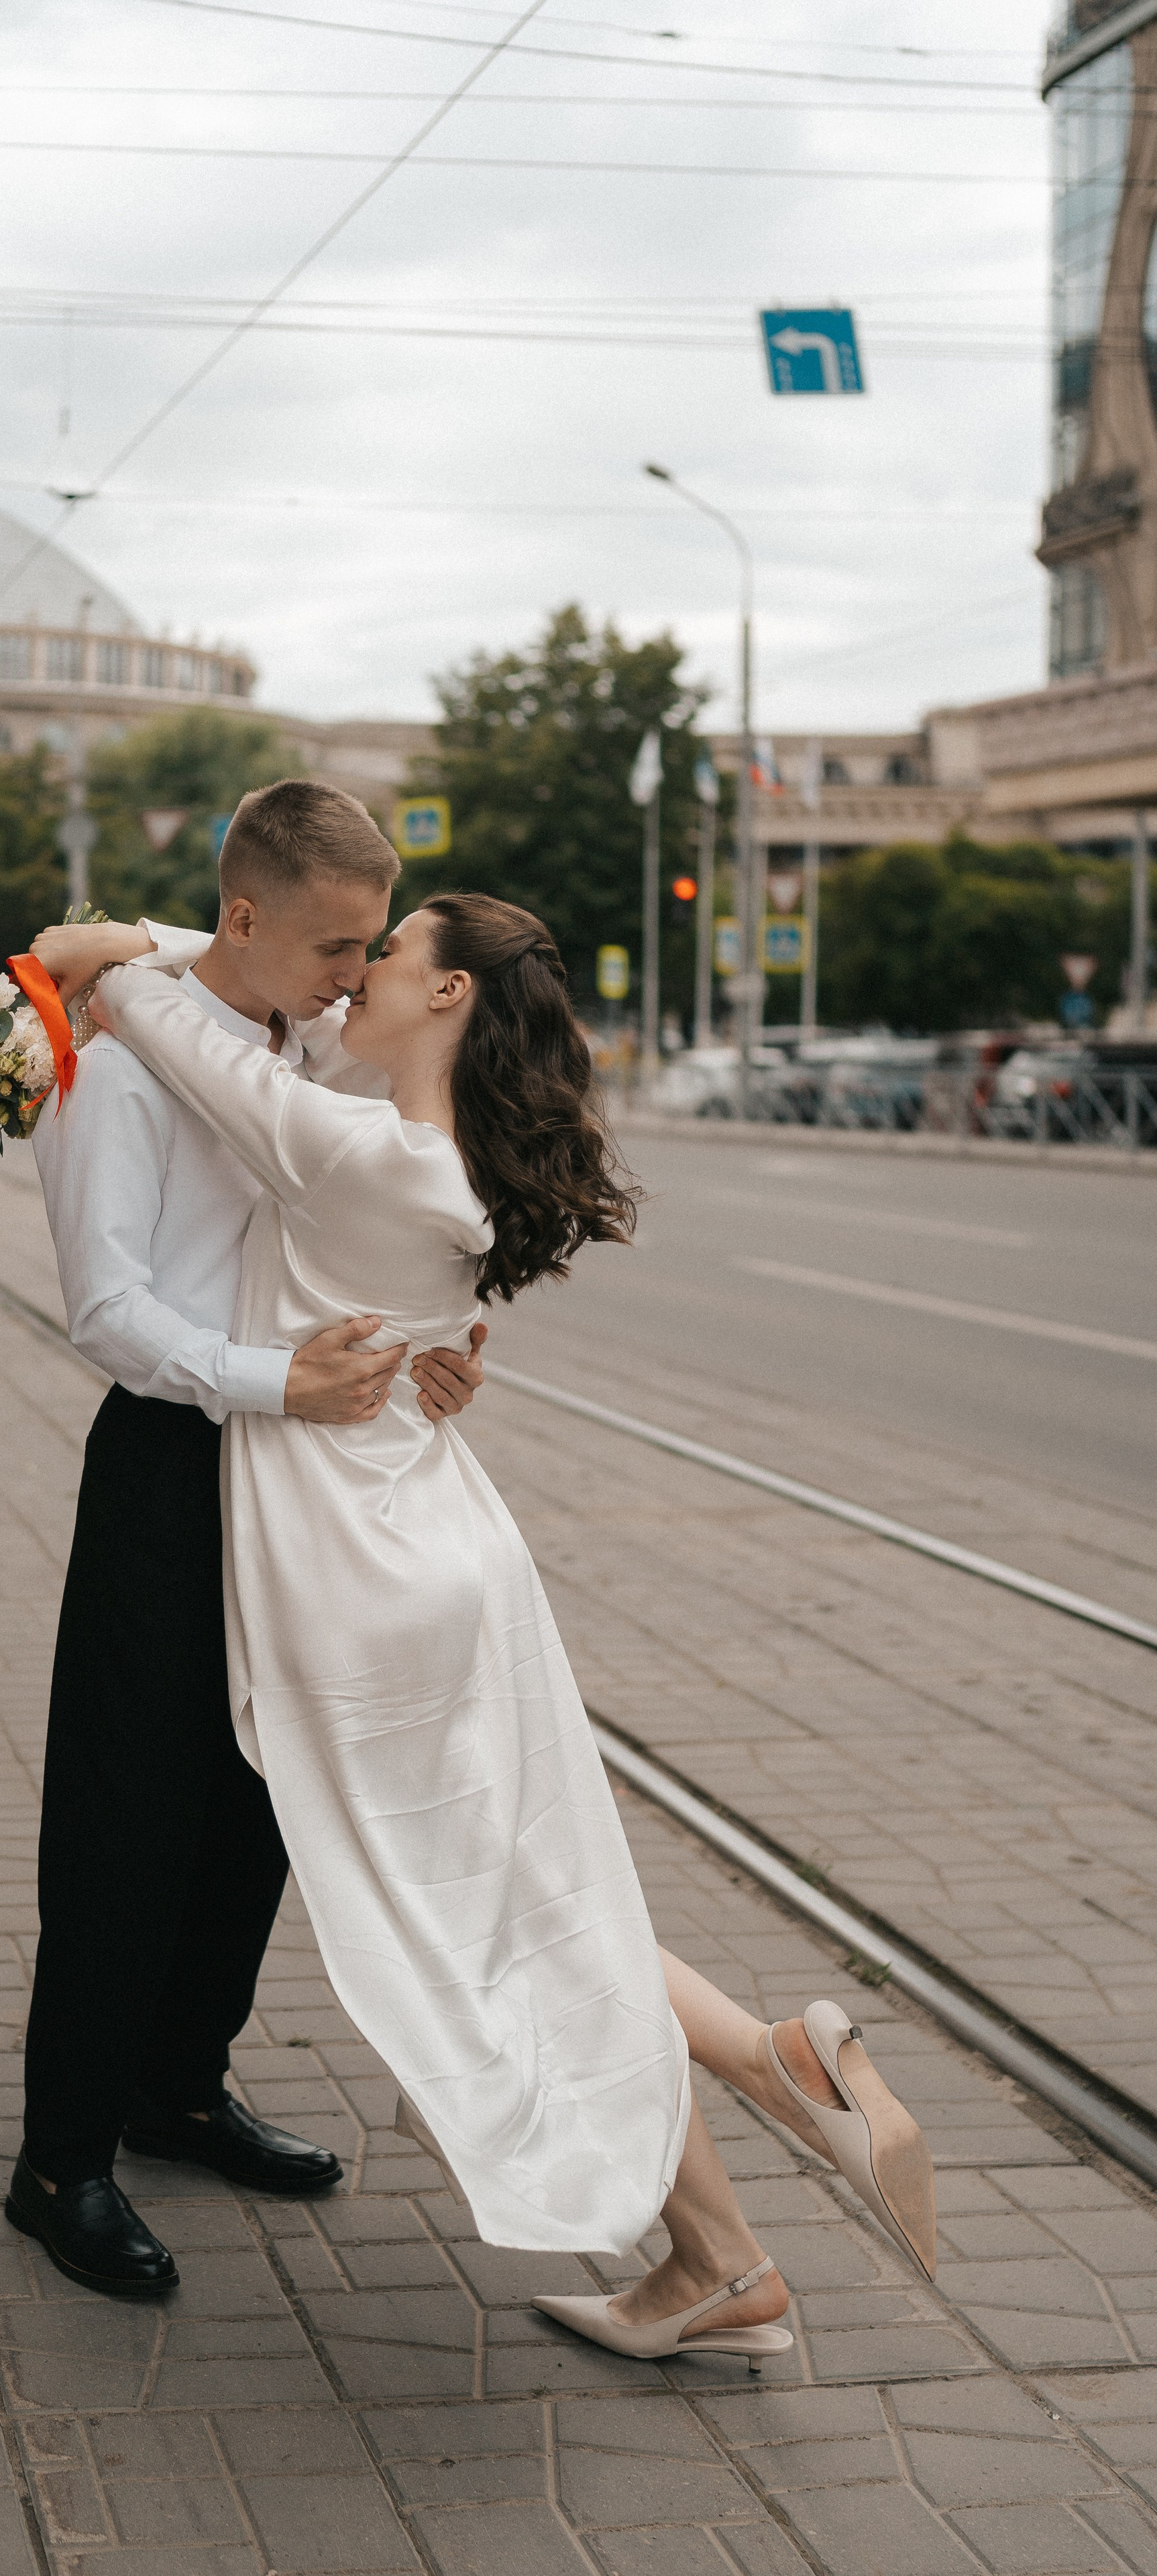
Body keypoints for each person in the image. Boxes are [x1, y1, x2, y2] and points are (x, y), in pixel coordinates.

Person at [69, 888, 936, 2361]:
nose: (351, 978)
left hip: (352, 1579)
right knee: (530, 1899)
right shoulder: (448, 1167)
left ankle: (749, 2148)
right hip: (441, 1543)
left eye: (384, 952)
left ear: (452, 995)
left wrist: (123, 942)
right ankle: (741, 2181)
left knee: (481, 1931)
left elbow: (150, 1006)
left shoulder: (349, 1144)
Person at [9, 781, 488, 2299]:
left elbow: (348, 1203)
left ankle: (178, 2087)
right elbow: (103, 1309)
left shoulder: (301, 1037)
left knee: (255, 1803)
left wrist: (415, 1354)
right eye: (335, 943)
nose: (355, 976)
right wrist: (268, 1382)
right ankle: (60, 2158)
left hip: (301, 1474)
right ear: (243, 918)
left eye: (367, 948)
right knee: (127, 1811)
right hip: (173, 1455)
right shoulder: (116, 1073)